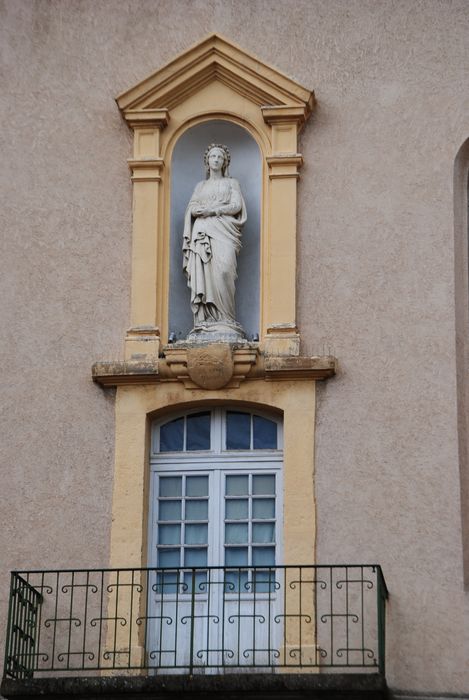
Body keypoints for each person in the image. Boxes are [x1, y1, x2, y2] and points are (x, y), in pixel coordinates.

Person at [182, 143, 247, 339]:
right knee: (204, 273)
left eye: (220, 157)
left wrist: (214, 210)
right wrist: (196, 211)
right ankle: (206, 319)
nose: (216, 160)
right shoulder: (200, 186)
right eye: (213, 157)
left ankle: (226, 317)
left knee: (225, 270)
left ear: (225, 162)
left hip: (224, 230)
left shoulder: (231, 183)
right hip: (202, 232)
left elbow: (236, 206)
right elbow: (192, 207)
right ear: (207, 161)